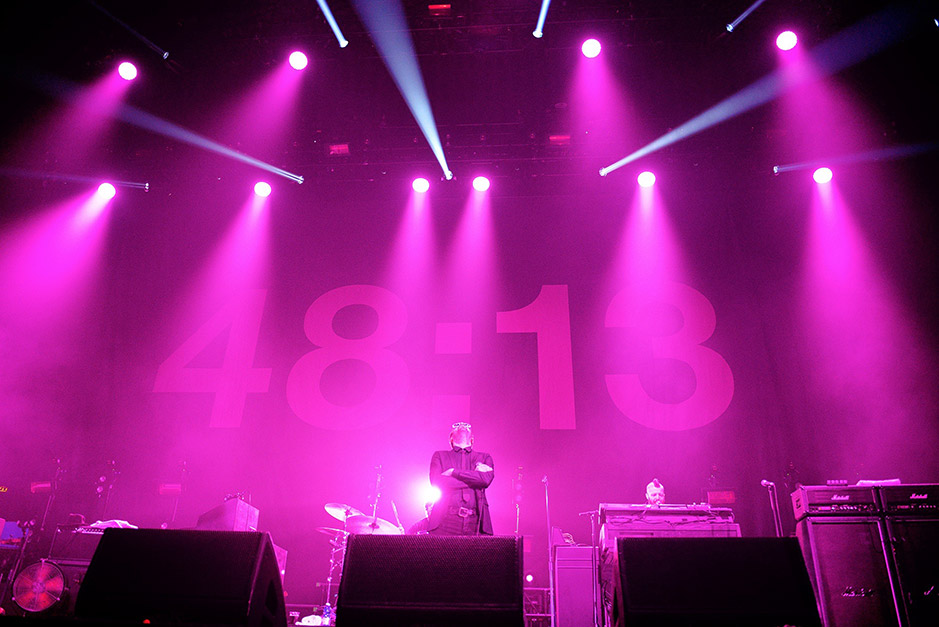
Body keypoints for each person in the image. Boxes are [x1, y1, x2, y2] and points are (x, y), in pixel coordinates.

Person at [428, 422, 494, 536]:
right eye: (457, 426)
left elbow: (486, 480)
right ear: (451, 438)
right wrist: (475, 479)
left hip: (476, 521)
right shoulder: (440, 456)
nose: (462, 427)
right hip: (445, 520)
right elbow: (437, 482)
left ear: (472, 439)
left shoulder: (484, 457)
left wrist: (454, 472)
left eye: (467, 426)